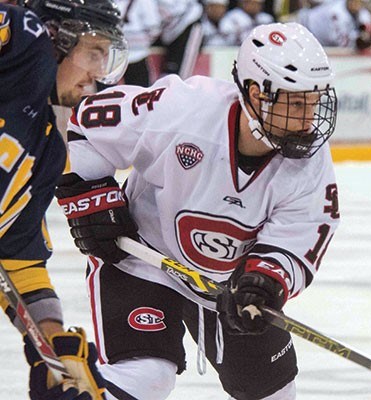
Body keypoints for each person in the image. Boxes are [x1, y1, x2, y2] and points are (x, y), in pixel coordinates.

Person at [55, 21, 339, 399]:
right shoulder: (183, 110)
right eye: (297, 102)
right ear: (256, 94)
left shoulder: (311, 164)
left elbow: (302, 229)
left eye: (315, 100)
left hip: (229, 281)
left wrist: (263, 281)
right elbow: (87, 125)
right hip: (144, 259)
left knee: (273, 392)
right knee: (147, 375)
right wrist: (90, 195)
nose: (309, 119)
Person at [0, 0, 128, 398]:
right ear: (58, 35)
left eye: (107, 57)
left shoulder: (49, 151)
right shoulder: (25, 37)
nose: (100, 73)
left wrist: (51, 343)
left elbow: (19, 259)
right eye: (94, 52)